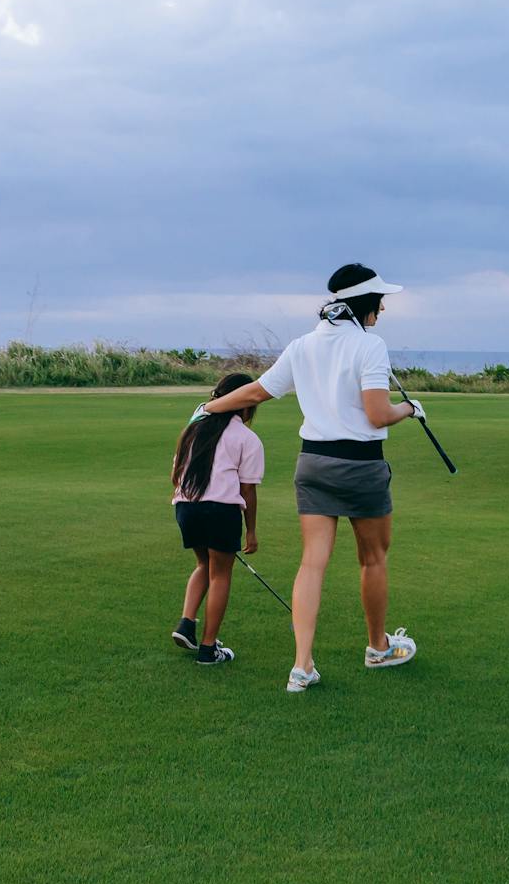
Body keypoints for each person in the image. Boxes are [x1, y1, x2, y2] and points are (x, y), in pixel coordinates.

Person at [195, 263, 422, 692]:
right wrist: (409, 409)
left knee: (312, 563)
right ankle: (378, 647)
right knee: (373, 558)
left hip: (314, 462)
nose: (383, 308)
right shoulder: (370, 346)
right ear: (364, 303)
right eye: (379, 301)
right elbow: (377, 415)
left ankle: (302, 666)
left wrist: (210, 407)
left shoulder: (302, 345)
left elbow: (258, 391)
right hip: (361, 465)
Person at [171, 372, 265, 666]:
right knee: (220, 574)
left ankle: (187, 623)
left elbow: (176, 471)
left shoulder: (194, 427)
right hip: (220, 509)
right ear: (246, 404)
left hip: (186, 507)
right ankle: (208, 648)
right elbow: (247, 491)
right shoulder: (247, 438)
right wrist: (251, 531)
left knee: (204, 564)